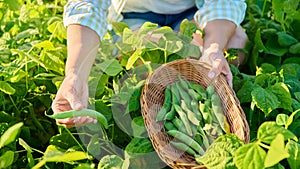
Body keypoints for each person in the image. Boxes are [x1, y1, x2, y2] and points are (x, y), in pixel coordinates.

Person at [52, 0, 248, 128]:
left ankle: (203, 107)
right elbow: (87, 5)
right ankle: (170, 117)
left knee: (236, 43)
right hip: (134, 17)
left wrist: (212, 49)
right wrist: (75, 74)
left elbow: (225, 2)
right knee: (152, 58)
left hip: (191, 12)